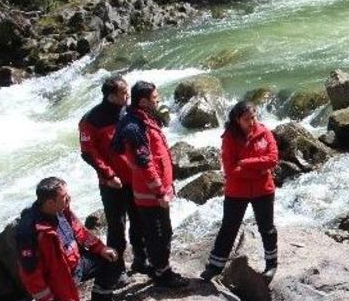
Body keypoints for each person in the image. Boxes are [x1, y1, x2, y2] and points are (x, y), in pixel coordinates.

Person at [16, 177, 120, 301]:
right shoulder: (29, 232)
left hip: (76, 266)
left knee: (111, 261)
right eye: (64, 196)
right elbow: (30, 274)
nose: (69, 198)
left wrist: (100, 248)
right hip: (58, 281)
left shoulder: (62, 210)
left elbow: (80, 231)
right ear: (49, 202)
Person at [112, 81, 188, 288]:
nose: (158, 101)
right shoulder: (135, 127)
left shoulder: (141, 119)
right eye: (155, 98)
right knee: (159, 233)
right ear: (143, 101)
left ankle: (157, 266)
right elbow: (144, 163)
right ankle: (162, 274)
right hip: (151, 194)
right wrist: (160, 191)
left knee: (161, 231)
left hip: (153, 191)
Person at [79, 75, 150, 281]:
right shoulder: (91, 120)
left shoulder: (129, 111)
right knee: (117, 226)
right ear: (111, 95)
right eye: (123, 93)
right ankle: (117, 269)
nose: (128, 95)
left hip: (135, 177)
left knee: (139, 220)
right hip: (112, 183)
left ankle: (141, 260)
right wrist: (108, 174)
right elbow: (88, 153)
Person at [200, 102, 279, 282]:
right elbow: (229, 170)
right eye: (247, 119)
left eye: (254, 117)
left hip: (263, 189)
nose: (252, 122)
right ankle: (215, 265)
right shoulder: (229, 137)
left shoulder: (265, 132)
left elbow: (273, 159)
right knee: (229, 227)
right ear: (237, 120)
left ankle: (271, 264)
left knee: (267, 228)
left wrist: (245, 163)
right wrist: (258, 168)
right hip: (237, 191)